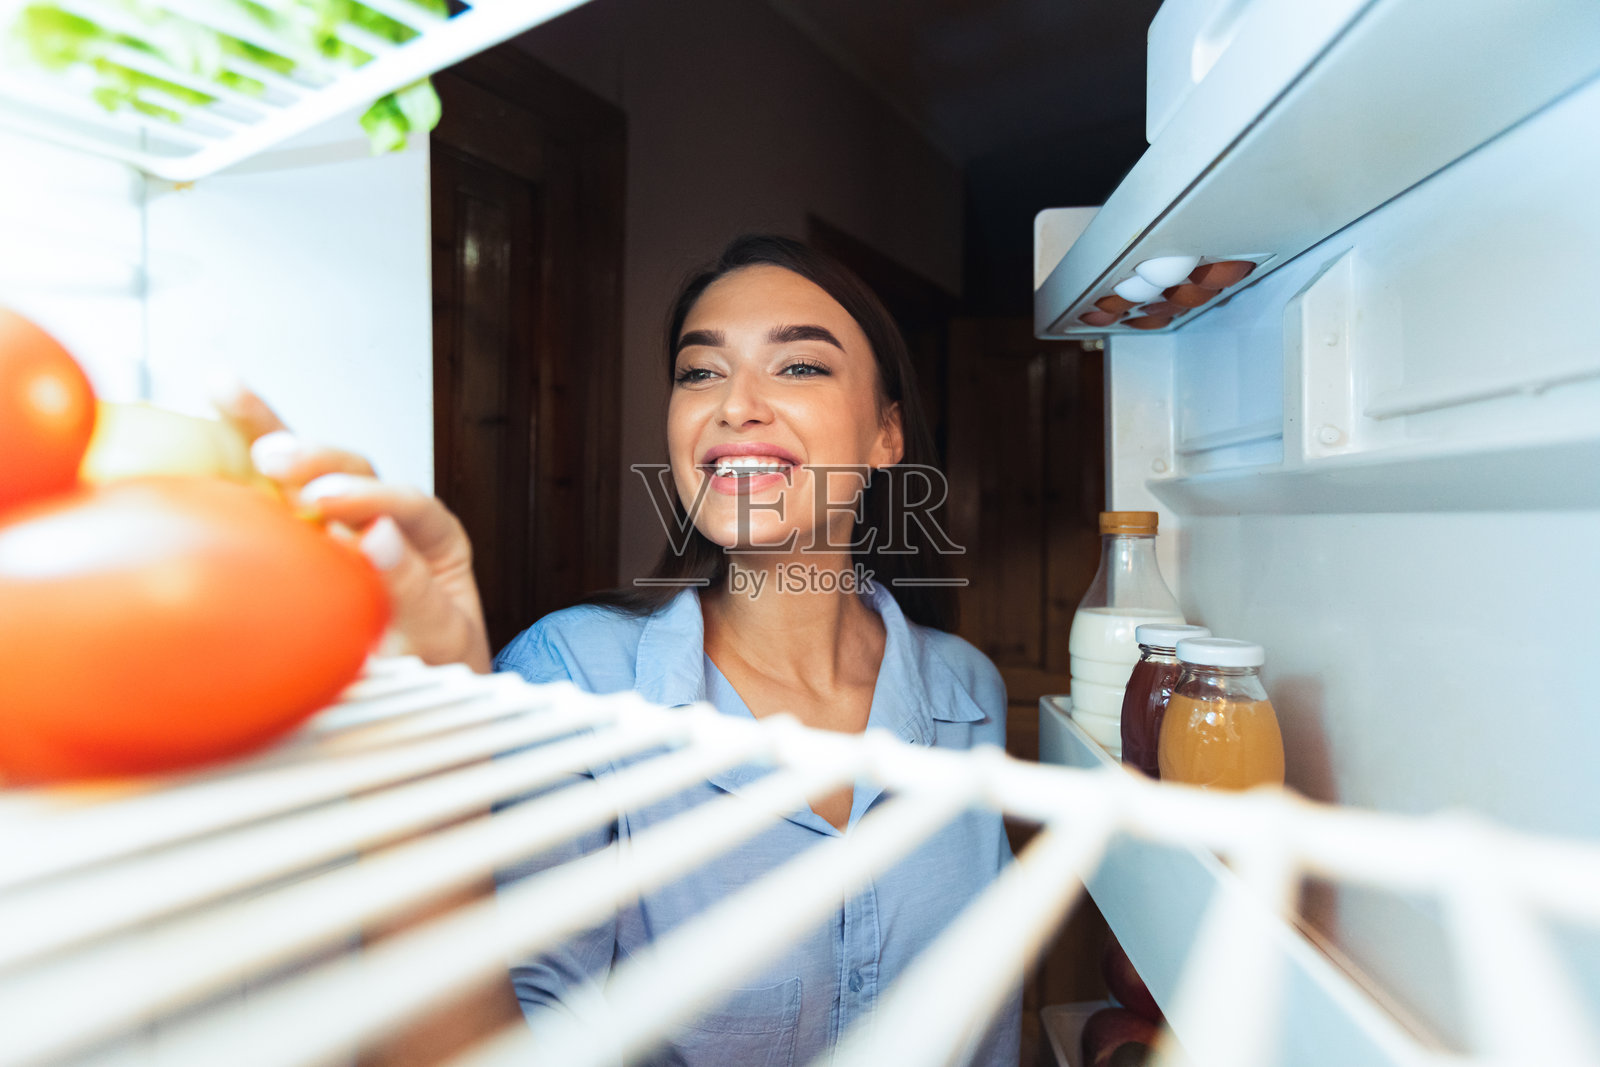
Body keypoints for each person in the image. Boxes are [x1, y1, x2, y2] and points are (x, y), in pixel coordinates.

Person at [223, 234, 1020, 1066]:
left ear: (887, 436)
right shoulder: (572, 679)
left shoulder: (966, 692)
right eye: (700, 371)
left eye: (799, 367)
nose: (735, 404)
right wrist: (420, 775)